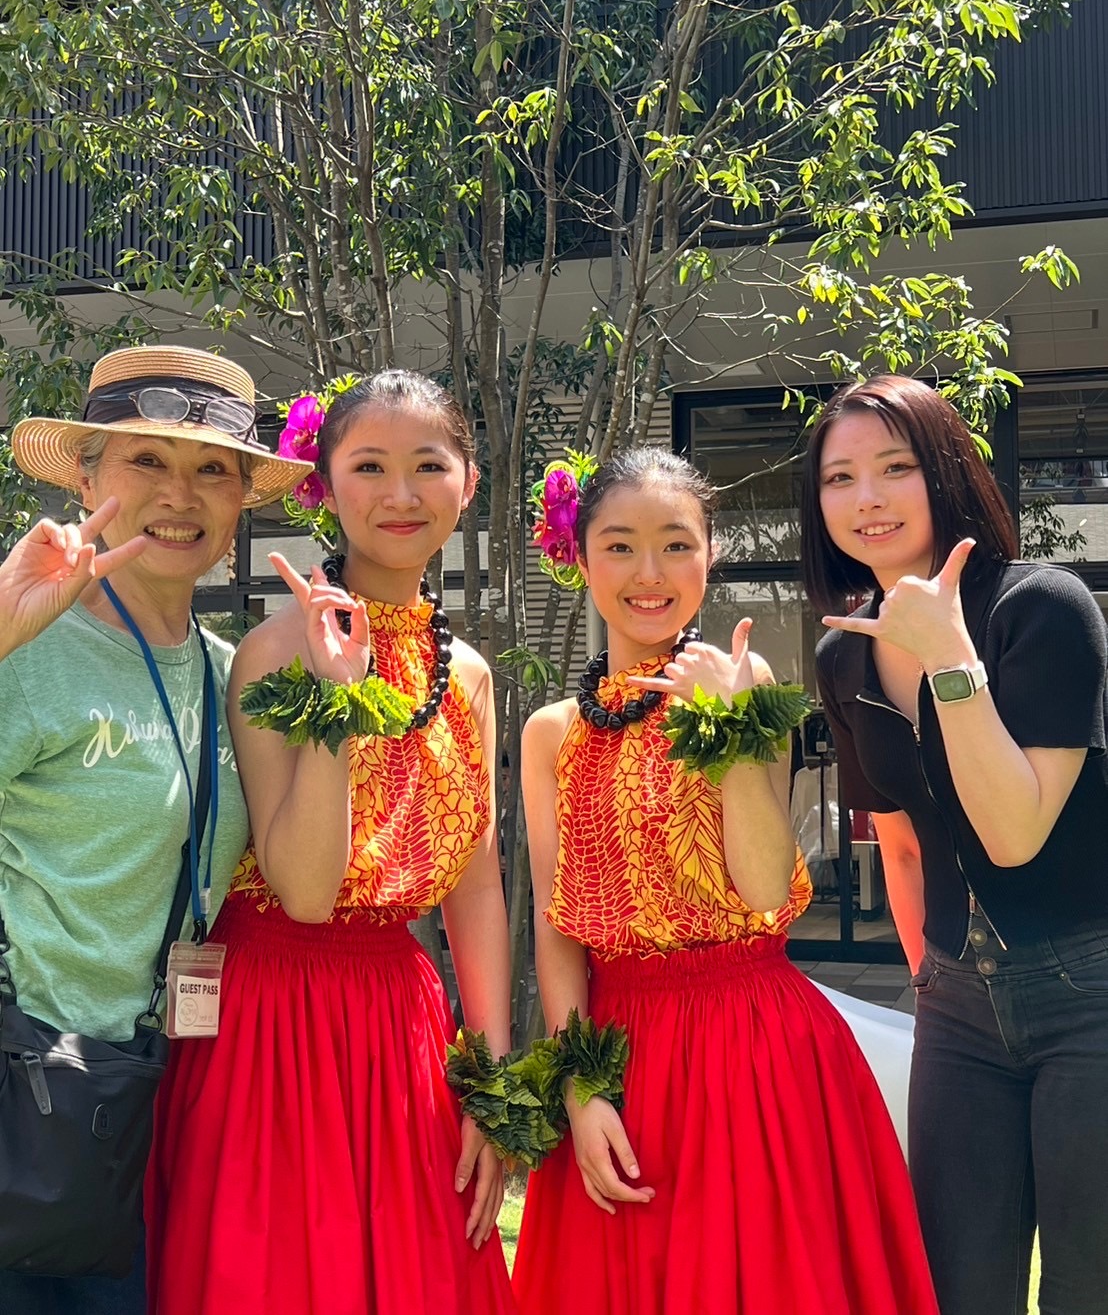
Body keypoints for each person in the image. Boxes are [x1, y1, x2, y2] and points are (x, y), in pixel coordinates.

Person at [511, 447, 938, 1315]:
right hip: (622, 1055)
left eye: (676, 544)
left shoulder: (750, 687)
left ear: (710, 555)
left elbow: (764, 886)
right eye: (620, 545)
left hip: (755, 1050)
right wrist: (581, 1087)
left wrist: (732, 721)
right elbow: (556, 927)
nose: (650, 573)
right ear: (580, 557)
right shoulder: (551, 731)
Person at [147, 370, 517, 1315]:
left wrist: (490, 1078)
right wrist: (336, 700)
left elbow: (476, 885)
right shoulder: (274, 652)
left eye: (427, 465)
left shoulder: (468, 674)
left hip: (402, 1018)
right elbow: (306, 891)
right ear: (325, 483)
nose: (401, 494)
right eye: (369, 466)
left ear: (468, 482)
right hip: (276, 1021)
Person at [0, 344, 312, 1314]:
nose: (180, 494)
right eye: (146, 459)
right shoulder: (30, 641)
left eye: (212, 468)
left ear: (242, 498)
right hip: (23, 1087)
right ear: (86, 478)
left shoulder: (232, 673)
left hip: (146, 1104)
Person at [804, 373, 1108, 1315]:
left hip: (1090, 991)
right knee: (955, 1288)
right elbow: (898, 847)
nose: (867, 496)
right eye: (840, 477)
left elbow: (1014, 833)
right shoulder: (844, 655)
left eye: (895, 467)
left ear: (945, 471)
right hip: (957, 1009)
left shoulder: (1042, 608)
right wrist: (935, 986)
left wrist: (950, 657)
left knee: (1086, 1286)